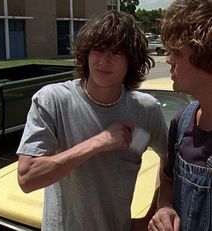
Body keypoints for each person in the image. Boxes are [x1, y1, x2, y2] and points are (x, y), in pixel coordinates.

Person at [17, 10, 168, 231]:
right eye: (97, 50)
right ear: (86, 54)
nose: (104, 61)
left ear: (131, 61)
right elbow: (27, 178)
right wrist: (98, 142)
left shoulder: (144, 111)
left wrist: (155, 211)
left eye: (116, 52)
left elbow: (168, 160)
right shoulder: (54, 101)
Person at [148, 0, 212, 230]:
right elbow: (168, 181)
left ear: (206, 58)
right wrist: (164, 207)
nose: (168, 60)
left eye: (176, 52)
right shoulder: (181, 121)